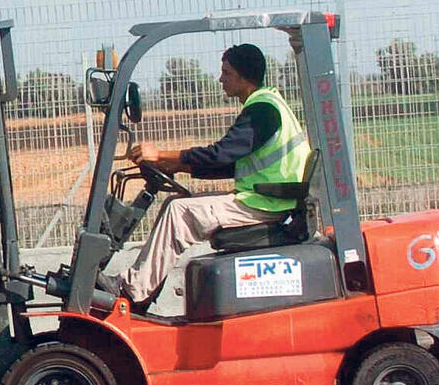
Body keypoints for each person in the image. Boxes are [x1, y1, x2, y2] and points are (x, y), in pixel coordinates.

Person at [99, 42, 310, 304]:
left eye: (227, 72)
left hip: (264, 204)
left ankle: (132, 291)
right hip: (265, 199)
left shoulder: (262, 110)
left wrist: (163, 155)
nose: (221, 79)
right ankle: (141, 288)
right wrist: (180, 166)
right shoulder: (267, 104)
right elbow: (228, 164)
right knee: (175, 204)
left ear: (244, 76)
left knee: (180, 213)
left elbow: (220, 153)